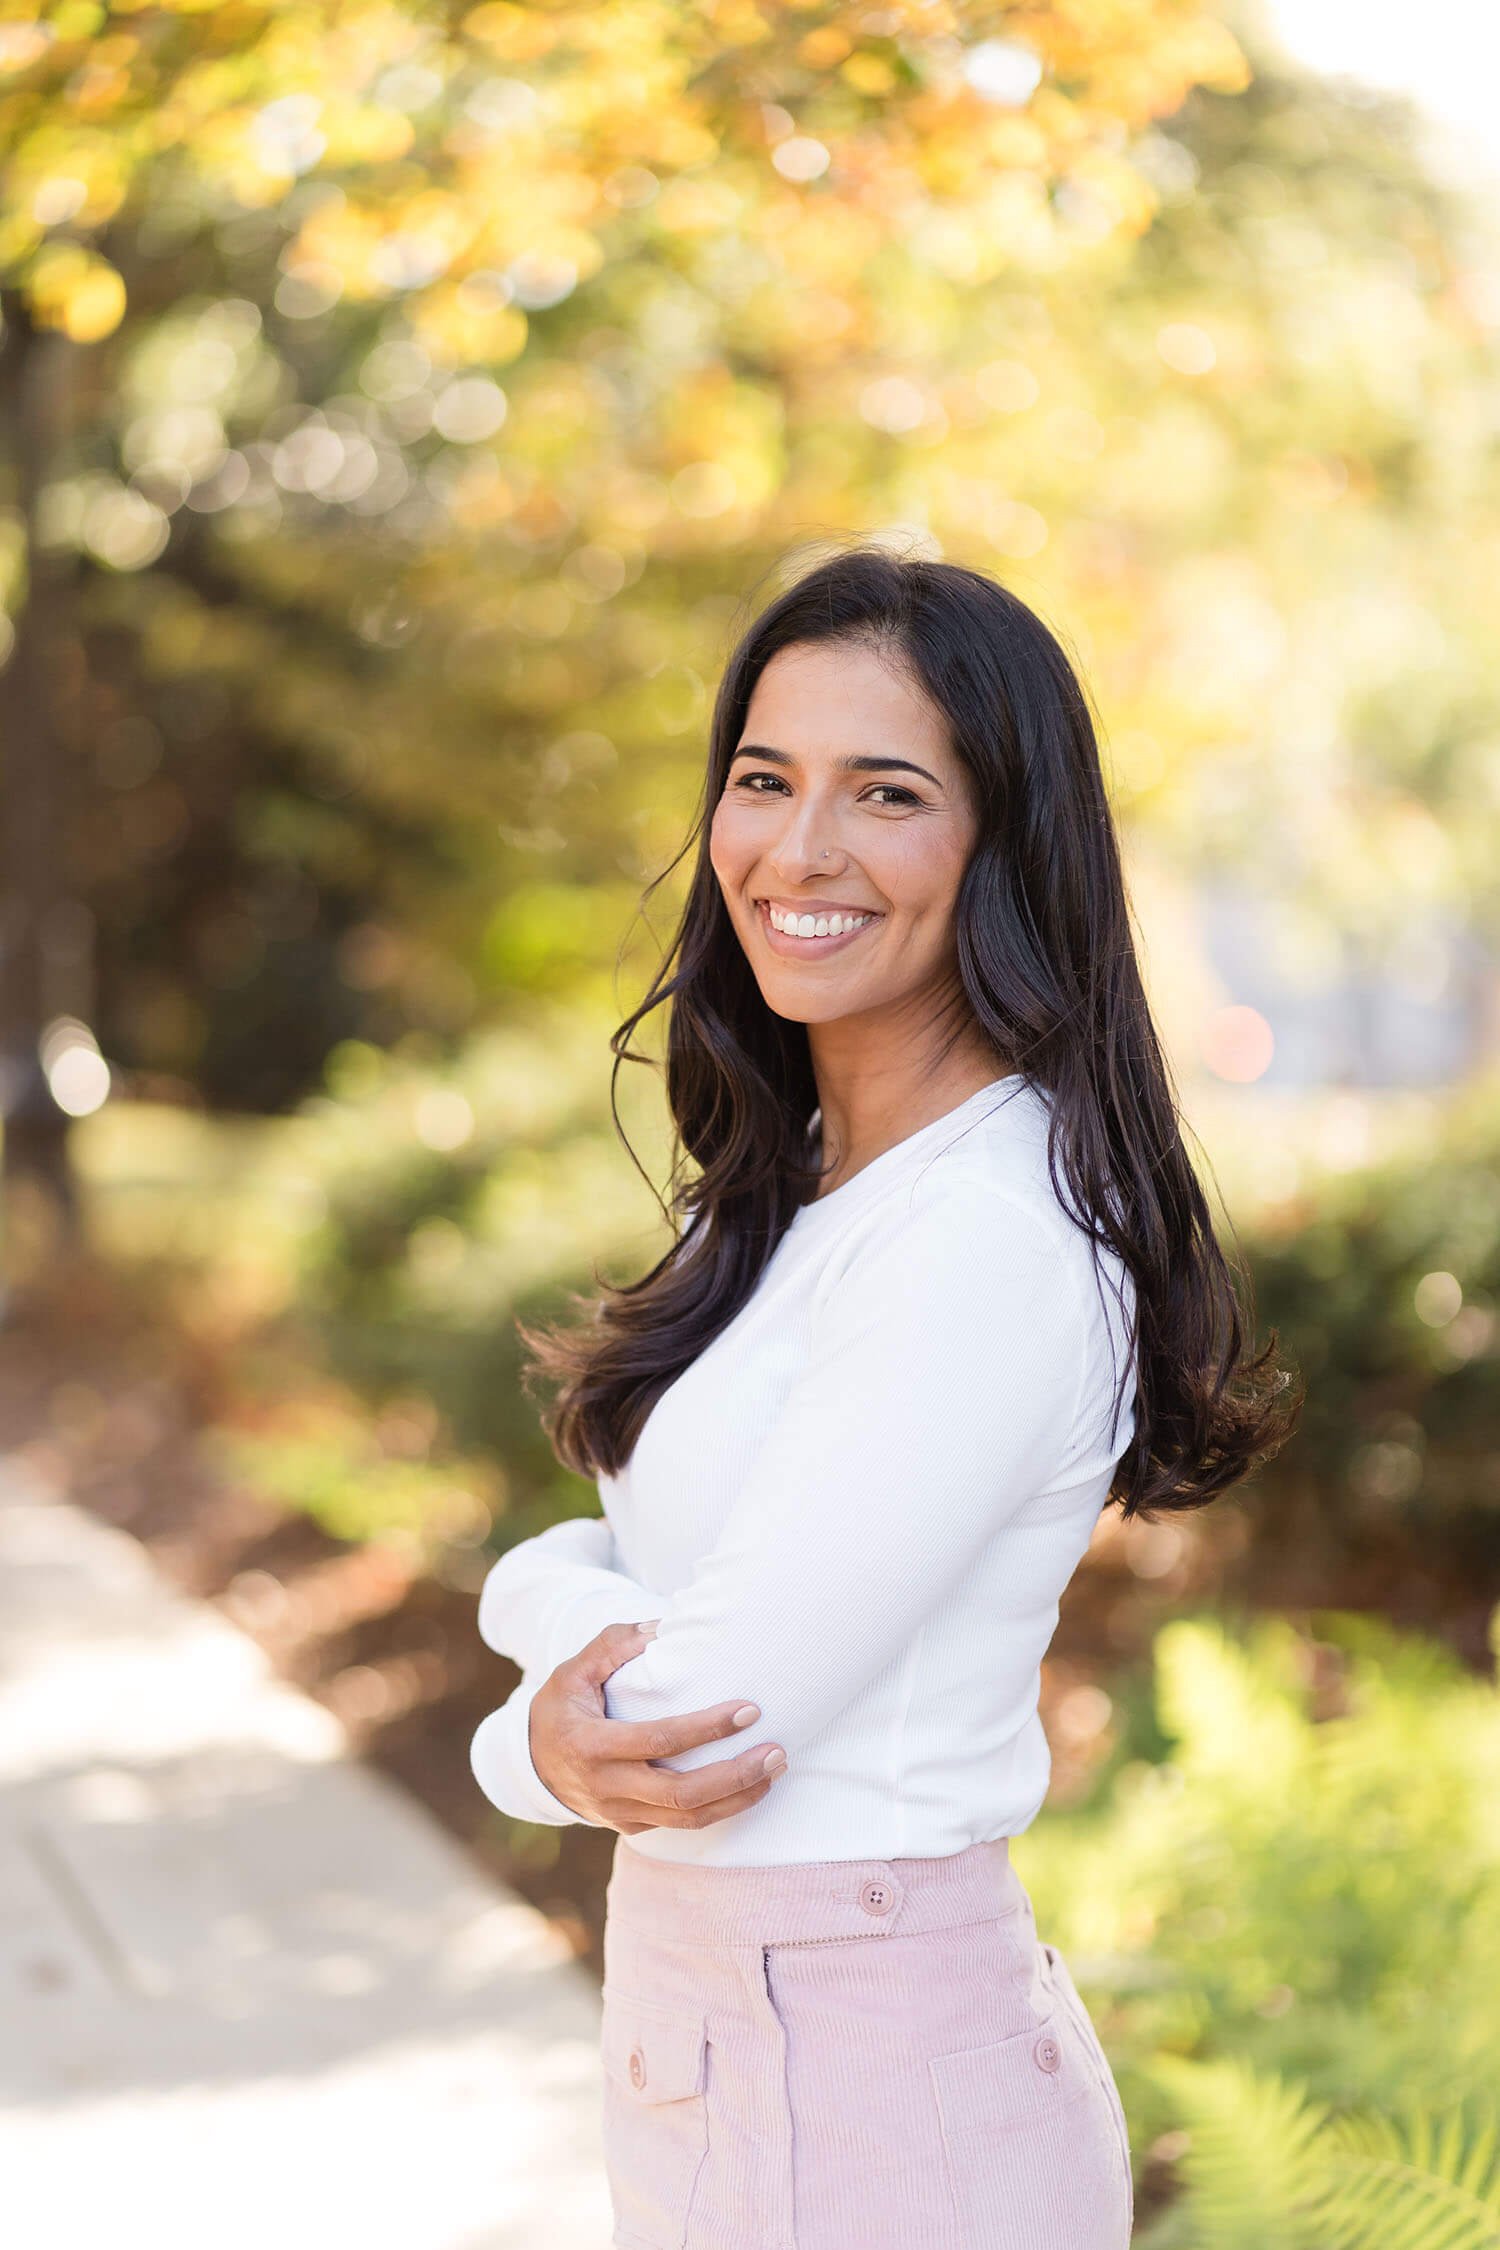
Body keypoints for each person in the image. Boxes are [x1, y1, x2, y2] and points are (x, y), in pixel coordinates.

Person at [470, 542, 1300, 2249]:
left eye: (888, 792)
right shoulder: (805, 1188)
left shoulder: (986, 1233)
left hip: (862, 2075)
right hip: (750, 2033)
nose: (800, 849)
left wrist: (524, 1721)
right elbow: (633, 1596)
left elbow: (707, 1710)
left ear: (1003, 847)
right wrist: (550, 1611)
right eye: (764, 779)